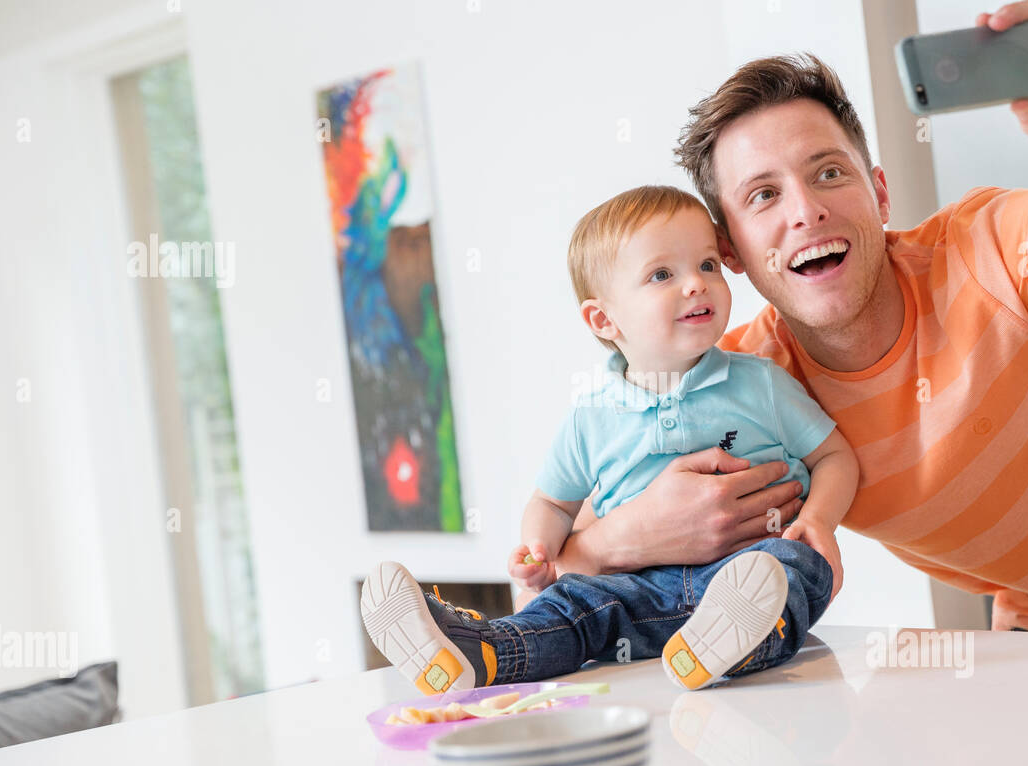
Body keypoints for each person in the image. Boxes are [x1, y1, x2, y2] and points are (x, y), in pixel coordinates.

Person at [552, 0, 1028, 637]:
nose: (806, 210)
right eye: (764, 196)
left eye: (829, 172)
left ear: (880, 193)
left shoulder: (992, 250)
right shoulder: (745, 390)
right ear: (730, 251)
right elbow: (562, 553)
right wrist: (619, 540)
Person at [361, 185, 859, 694]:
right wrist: (539, 551)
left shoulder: (761, 383)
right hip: (632, 590)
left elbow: (835, 457)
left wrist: (818, 520)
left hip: (746, 570)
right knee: (571, 605)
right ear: (604, 319)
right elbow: (553, 503)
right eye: (663, 274)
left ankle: (727, 646)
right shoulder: (592, 415)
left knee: (795, 566)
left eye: (708, 264)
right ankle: (478, 652)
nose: (697, 284)